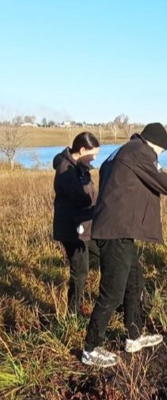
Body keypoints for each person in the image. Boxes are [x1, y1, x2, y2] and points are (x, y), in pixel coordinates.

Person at [82, 123, 167, 368]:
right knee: (112, 291)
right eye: (161, 152)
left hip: (120, 231)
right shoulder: (141, 152)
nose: (159, 157)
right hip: (115, 232)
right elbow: (166, 185)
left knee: (135, 282)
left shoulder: (124, 150)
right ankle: (90, 349)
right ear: (155, 143)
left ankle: (134, 336)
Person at [53, 132, 100, 316]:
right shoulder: (66, 170)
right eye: (93, 153)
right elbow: (83, 199)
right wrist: (103, 203)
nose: (95, 158)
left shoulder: (80, 166)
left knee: (103, 256)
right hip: (72, 230)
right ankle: (72, 313)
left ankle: (111, 299)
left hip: (86, 226)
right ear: (82, 150)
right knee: (80, 271)